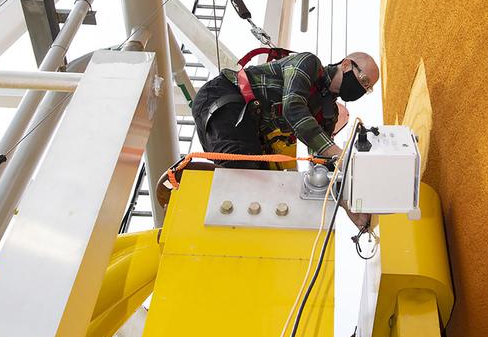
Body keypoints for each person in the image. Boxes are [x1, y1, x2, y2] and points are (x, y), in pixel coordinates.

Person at [158, 50, 380, 226]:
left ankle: (204, 201)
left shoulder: (328, 113)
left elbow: (323, 164)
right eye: (362, 79)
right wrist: (340, 154)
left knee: (264, 187)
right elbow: (293, 108)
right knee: (245, 170)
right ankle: (187, 191)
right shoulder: (309, 64)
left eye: (367, 88)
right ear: (345, 64)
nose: (361, 88)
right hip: (226, 98)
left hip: (246, 126)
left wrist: (348, 205)